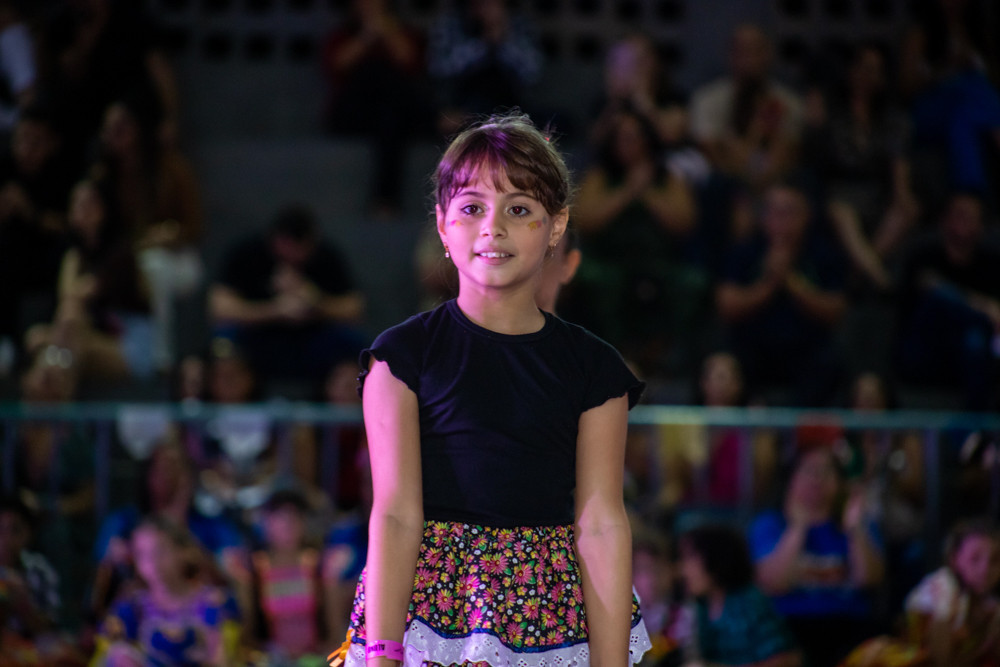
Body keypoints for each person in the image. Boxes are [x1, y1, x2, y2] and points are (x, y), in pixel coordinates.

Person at [333, 113, 651, 666]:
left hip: (550, 614)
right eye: (472, 208)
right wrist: (382, 655)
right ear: (442, 224)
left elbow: (601, 524)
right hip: (433, 611)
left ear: (556, 226)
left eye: (519, 209)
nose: (493, 227)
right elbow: (395, 515)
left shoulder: (595, 368)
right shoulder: (402, 356)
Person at [749, 445, 885, 667]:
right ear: (790, 479)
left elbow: (868, 580)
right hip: (787, 626)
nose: (816, 479)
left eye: (826, 471)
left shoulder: (858, 524)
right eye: (808, 470)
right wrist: (798, 528)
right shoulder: (769, 524)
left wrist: (855, 529)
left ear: (839, 483)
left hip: (848, 624)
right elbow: (774, 583)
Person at [716, 182, 847, 406]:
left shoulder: (823, 253)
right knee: (725, 359)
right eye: (773, 211)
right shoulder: (746, 250)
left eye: (788, 212)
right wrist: (768, 284)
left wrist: (791, 281)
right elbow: (727, 305)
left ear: (807, 216)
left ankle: (799, 423)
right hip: (753, 343)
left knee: (830, 361)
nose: (780, 220)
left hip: (805, 346)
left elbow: (836, 311)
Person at [209, 204, 366, 383]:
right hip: (258, 335)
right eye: (287, 246)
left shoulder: (326, 256)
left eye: (301, 249)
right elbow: (220, 308)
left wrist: (315, 301)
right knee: (225, 339)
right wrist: (275, 310)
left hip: (313, 337)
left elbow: (354, 308)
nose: (293, 255)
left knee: (355, 343)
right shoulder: (248, 252)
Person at [895, 192, 1000, 411]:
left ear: (981, 226)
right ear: (944, 220)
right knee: (942, 300)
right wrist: (985, 308)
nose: (963, 222)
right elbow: (931, 290)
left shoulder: (990, 264)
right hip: (925, 347)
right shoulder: (923, 255)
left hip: (971, 353)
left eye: (970, 217)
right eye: (958, 215)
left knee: (974, 340)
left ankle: (976, 422)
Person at [94, 517, 241, 667]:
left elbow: (225, 657)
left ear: (184, 552)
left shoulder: (214, 602)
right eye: (142, 555)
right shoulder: (133, 606)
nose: (152, 563)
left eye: (160, 552)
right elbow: (105, 651)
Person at [689, 24, 803, 190]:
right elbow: (713, 156)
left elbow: (785, 158)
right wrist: (753, 141)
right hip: (724, 188)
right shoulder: (707, 100)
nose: (749, 59)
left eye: (756, 50)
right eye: (742, 50)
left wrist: (745, 142)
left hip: (775, 187)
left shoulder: (789, 103)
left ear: (769, 54)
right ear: (730, 55)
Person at [679, 524, 800, 667]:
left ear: (716, 560)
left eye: (691, 559)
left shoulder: (749, 601)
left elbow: (786, 659)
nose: (684, 570)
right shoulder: (699, 606)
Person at [904, 519, 1000, 667]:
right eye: (975, 558)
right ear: (954, 559)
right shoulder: (942, 587)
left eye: (995, 560)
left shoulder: (983, 600)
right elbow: (941, 661)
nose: (985, 569)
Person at [250, 489, 325, 663]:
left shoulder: (317, 564)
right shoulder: (255, 567)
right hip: (271, 659)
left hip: (314, 658)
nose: (288, 525)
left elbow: (333, 626)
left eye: (294, 519)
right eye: (281, 519)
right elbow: (249, 627)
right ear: (267, 523)